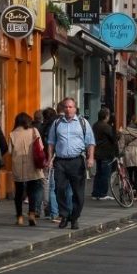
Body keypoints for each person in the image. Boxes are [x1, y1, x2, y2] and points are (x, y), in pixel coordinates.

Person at [45, 97, 96, 230]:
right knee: (59, 190)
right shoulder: (57, 123)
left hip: (76, 161)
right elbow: (51, 143)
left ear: (75, 108)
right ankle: (64, 215)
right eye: (66, 107)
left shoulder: (83, 123)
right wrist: (49, 159)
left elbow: (90, 142)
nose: (68, 109)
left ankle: (74, 218)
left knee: (78, 193)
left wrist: (90, 158)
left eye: (71, 107)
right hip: (60, 161)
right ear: (63, 108)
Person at [7, 112, 43, 226]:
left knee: (18, 193)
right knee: (32, 192)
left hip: (18, 166)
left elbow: (9, 152)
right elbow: (40, 147)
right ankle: (32, 214)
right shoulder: (34, 131)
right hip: (32, 165)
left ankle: (20, 217)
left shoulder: (12, 134)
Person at [91, 107, 119, 201]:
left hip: (97, 153)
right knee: (105, 175)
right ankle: (102, 194)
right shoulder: (106, 127)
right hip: (106, 153)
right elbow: (113, 138)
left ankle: (95, 193)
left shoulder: (95, 125)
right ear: (106, 116)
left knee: (98, 174)